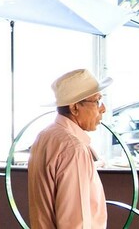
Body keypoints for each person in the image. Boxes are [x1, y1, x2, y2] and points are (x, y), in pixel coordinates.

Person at [28, 68, 112, 229]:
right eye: (96, 101)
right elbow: (75, 221)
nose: (103, 108)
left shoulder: (45, 136)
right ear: (74, 108)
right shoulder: (73, 148)